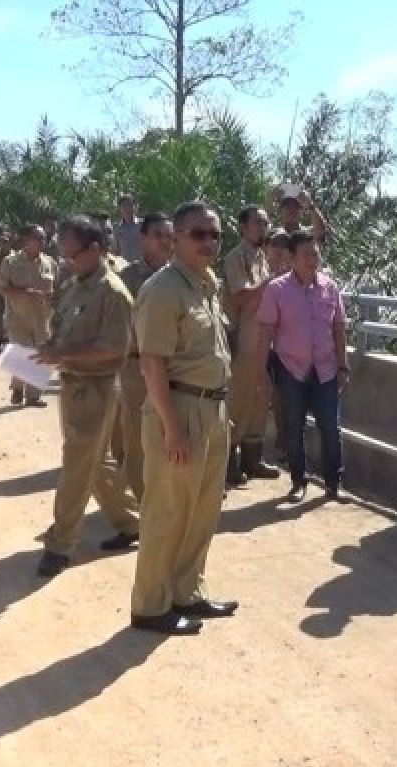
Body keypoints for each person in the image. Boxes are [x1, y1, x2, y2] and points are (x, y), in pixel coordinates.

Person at [130, 201, 235, 636]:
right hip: (179, 408)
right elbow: (151, 364)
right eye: (198, 234)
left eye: (214, 234)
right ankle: (151, 604)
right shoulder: (164, 289)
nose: (208, 242)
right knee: (168, 510)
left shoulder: (207, 284)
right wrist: (172, 427)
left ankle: (186, 590)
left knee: (204, 509)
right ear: (175, 239)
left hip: (214, 409)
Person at [32, 215, 137, 578]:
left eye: (72, 255)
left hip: (97, 388)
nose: (67, 261)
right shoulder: (77, 284)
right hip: (73, 386)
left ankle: (61, 544)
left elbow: (115, 349)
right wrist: (53, 347)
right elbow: (64, 329)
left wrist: (64, 353)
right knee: (96, 464)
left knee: (77, 465)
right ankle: (131, 523)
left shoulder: (113, 293)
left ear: (95, 250)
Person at [256, 229, 348, 503]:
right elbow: (266, 333)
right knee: (293, 428)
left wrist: (343, 365)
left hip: (326, 370)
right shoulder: (276, 289)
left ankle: (334, 482)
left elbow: (339, 328)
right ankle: (299, 481)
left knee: (331, 427)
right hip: (291, 369)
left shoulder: (330, 287)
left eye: (316, 253)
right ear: (292, 258)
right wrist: (261, 372)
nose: (313, 259)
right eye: (307, 254)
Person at [100, 213, 174, 553]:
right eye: (158, 235)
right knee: (136, 446)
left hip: (177, 372)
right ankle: (141, 519)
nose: (165, 241)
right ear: (143, 239)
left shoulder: (183, 276)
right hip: (137, 370)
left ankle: (168, 514)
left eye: (169, 236)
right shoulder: (126, 278)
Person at [223, 206, 282, 487]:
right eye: (258, 222)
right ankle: (228, 463)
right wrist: (270, 283)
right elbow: (239, 297)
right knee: (239, 400)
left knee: (260, 398)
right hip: (245, 338)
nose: (263, 226)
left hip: (264, 340)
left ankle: (253, 458)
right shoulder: (236, 258)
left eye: (265, 222)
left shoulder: (263, 258)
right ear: (243, 227)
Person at [0, 225, 56, 407]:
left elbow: (58, 288)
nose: (42, 242)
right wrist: (24, 292)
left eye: (43, 238)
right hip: (18, 317)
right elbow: (0, 287)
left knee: (40, 355)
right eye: (38, 238)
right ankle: (18, 388)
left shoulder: (50, 263)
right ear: (26, 240)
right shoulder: (11, 262)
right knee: (22, 353)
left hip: (43, 318)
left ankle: (33, 396)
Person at [263, 228, 293, 464]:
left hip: (286, 349)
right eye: (274, 244)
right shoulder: (257, 271)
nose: (279, 250)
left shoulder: (296, 278)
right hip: (260, 346)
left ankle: (286, 445)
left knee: (284, 399)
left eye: (284, 245)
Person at [111, 193, 143, 263]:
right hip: (124, 267)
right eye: (124, 206)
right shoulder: (116, 227)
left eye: (130, 205)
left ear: (135, 207)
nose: (127, 208)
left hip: (142, 266)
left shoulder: (143, 224)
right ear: (120, 208)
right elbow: (115, 250)